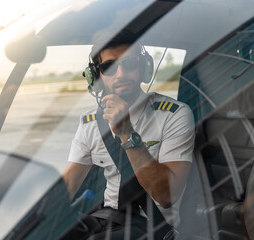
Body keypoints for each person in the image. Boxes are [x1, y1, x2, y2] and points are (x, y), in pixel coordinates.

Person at [62, 30, 195, 239]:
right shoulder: (89, 123)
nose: (121, 74)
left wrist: (126, 132)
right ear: (97, 76)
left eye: (130, 63)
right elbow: (68, 187)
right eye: (109, 67)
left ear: (144, 68)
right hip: (108, 219)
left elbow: (167, 195)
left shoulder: (173, 114)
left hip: (155, 228)